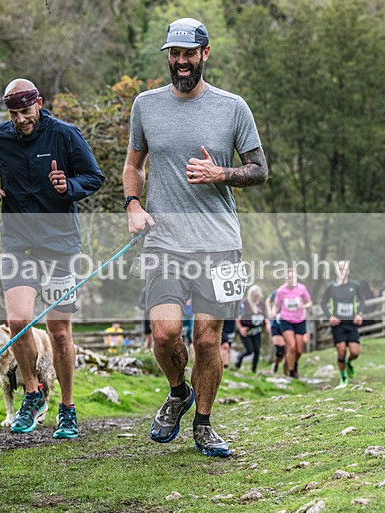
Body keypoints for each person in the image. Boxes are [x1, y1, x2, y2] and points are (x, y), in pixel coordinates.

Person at [122, 17, 268, 458]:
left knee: (208, 340)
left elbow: (260, 169)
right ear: (169, 56)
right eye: (175, 54)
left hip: (219, 241)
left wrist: (221, 173)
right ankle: (177, 392)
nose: (181, 62)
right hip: (164, 240)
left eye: (189, 54)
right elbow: (134, 165)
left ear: (205, 54)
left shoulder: (232, 107)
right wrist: (133, 204)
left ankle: (203, 424)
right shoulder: (146, 106)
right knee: (164, 333)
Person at [0, 78, 105, 438]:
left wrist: (68, 187)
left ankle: (68, 408)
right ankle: (32, 393)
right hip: (18, 241)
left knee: (59, 332)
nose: (21, 120)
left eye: (25, 112)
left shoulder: (65, 135)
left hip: (60, 243)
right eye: (13, 114)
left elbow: (94, 176)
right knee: (18, 320)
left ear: (38, 103)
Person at [320, 260, 365, 389]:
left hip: (351, 323)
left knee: (355, 352)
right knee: (341, 351)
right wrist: (330, 316)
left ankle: (349, 362)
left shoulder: (354, 285)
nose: (342, 270)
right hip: (338, 323)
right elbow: (323, 303)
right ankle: (343, 376)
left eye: (344, 268)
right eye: (339, 268)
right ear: (336, 271)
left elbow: (362, 300)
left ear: (348, 271)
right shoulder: (331, 287)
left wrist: (359, 314)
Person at [274, 268, 312, 378]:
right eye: (290, 278)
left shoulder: (302, 289)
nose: (292, 280)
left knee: (299, 350)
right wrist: (273, 312)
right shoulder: (281, 291)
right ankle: (291, 372)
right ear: (286, 279)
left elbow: (309, 302)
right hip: (286, 320)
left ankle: (294, 363)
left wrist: (304, 306)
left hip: (300, 320)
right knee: (292, 346)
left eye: (294, 277)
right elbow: (276, 305)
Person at [236, 285, 265, 372]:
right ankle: (240, 357)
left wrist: (266, 325)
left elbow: (264, 316)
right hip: (246, 330)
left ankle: (254, 369)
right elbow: (237, 318)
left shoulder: (261, 304)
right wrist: (240, 328)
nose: (255, 297)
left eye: (257, 295)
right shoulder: (244, 303)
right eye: (254, 295)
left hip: (257, 330)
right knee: (250, 350)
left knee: (257, 350)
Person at [265, 288, 285, 373]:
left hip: (289, 323)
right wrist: (269, 311)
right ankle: (276, 363)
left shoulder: (297, 292)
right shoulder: (278, 291)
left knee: (290, 349)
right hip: (276, 323)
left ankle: (289, 370)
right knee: (280, 350)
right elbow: (268, 300)